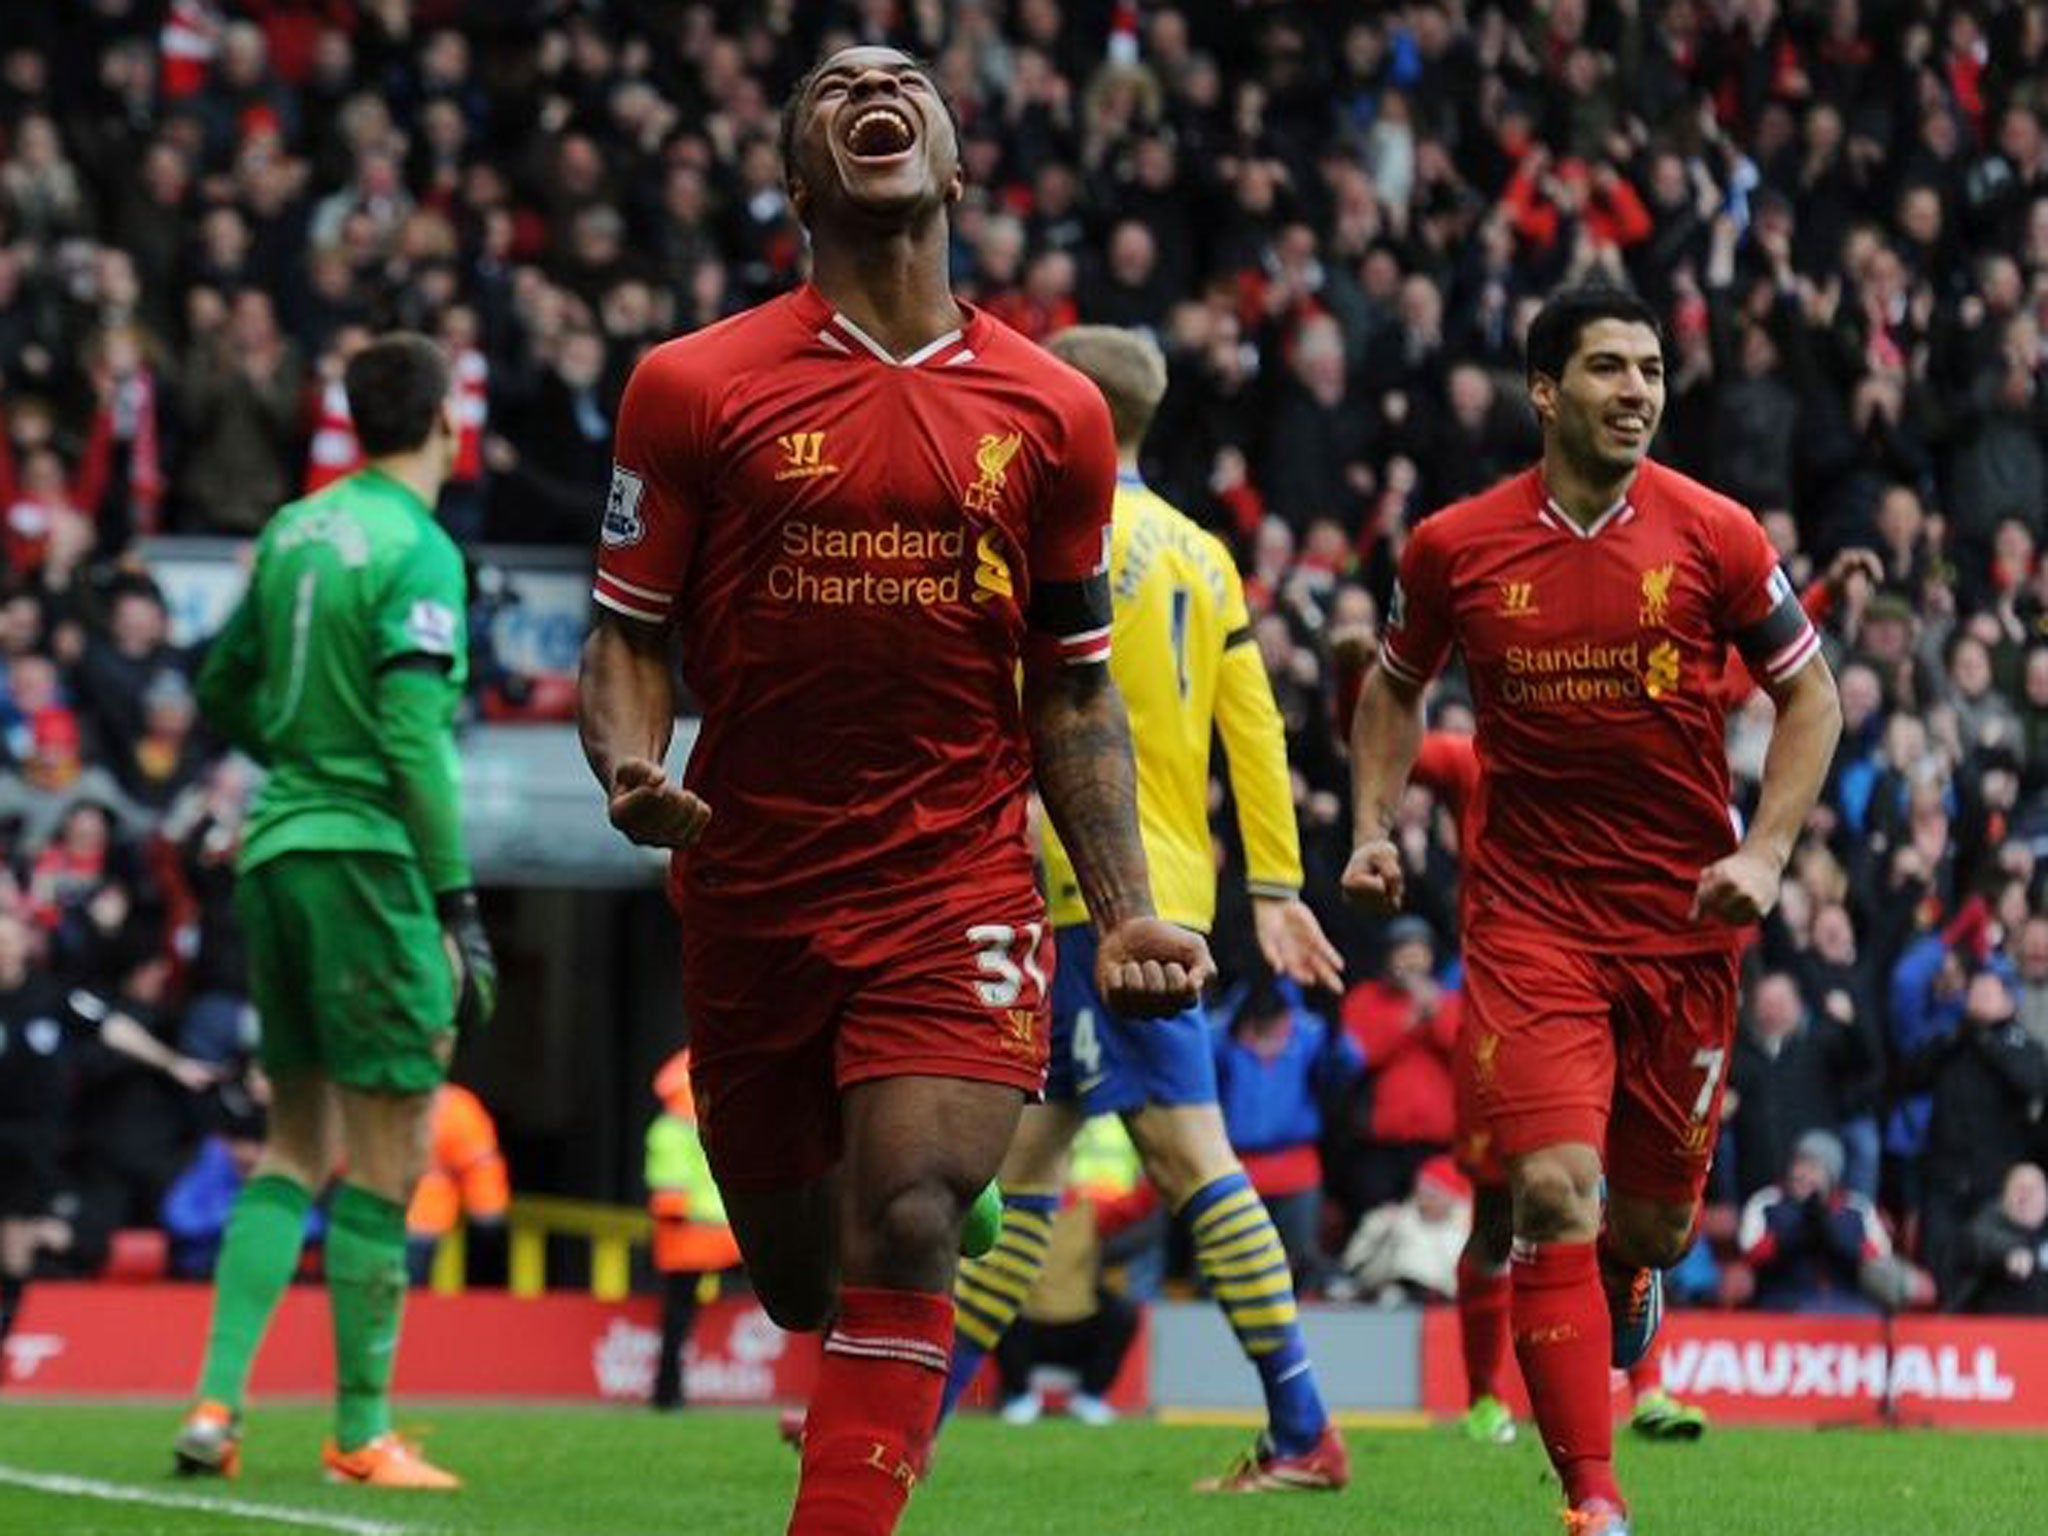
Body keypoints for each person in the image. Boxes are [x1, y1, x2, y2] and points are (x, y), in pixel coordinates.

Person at [574, 53, 1210, 1536]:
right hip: (754, 882)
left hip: (955, 876)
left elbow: (1071, 684)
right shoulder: (692, 385)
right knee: (807, 1276)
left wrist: (1124, 914)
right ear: (801, 180)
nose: (876, 87)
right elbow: (627, 635)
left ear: (955, 165)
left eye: (906, 79)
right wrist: (626, 765)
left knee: (908, 1215)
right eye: (836, 87)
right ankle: (943, 1205)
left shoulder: (1054, 412)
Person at [1344, 287, 1842, 1536]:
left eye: (1652, 370)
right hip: (1529, 925)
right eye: (1608, 368)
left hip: (1684, 924)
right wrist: (1367, 826)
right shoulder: (1455, 546)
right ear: (1543, 391)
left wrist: (1769, 854)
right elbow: (1391, 688)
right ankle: (1593, 1499)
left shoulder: (1716, 533)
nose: (1636, 390)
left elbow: (1813, 700)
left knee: (1654, 1223)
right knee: (1549, 1193)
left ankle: (1631, 1279)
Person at [938, 325, 1349, 1492]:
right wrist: (1271, 882)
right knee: (1025, 1160)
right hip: (1169, 881)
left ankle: (1303, 1426)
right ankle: (908, 1416)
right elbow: (1254, 729)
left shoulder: (1036, 533)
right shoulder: (1203, 554)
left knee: (1184, 1153)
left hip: (1088, 889)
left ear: (1064, 402)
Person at [174, 332, 498, 1489]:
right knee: (392, 1149)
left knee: (294, 1143)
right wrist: (458, 902)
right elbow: (413, 741)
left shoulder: (293, 529)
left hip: (275, 853)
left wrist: (300, 756)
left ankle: (215, 1406)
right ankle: (360, 1430)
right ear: (445, 424)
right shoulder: (418, 551)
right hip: (365, 862)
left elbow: (217, 686)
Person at [0, 909, 215, 1358]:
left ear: (24, 946)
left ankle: (12, 1321)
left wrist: (171, 1062)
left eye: (9, 939)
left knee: (23, 1232)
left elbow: (114, 1028)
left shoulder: (52, 996)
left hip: (38, 1143)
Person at [645, 1049, 741, 1411]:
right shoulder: (733, 1118)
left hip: (687, 1237)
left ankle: (667, 1394)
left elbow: (669, 1193)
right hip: (733, 1235)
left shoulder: (669, 1128)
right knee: (807, 1296)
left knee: (677, 1317)